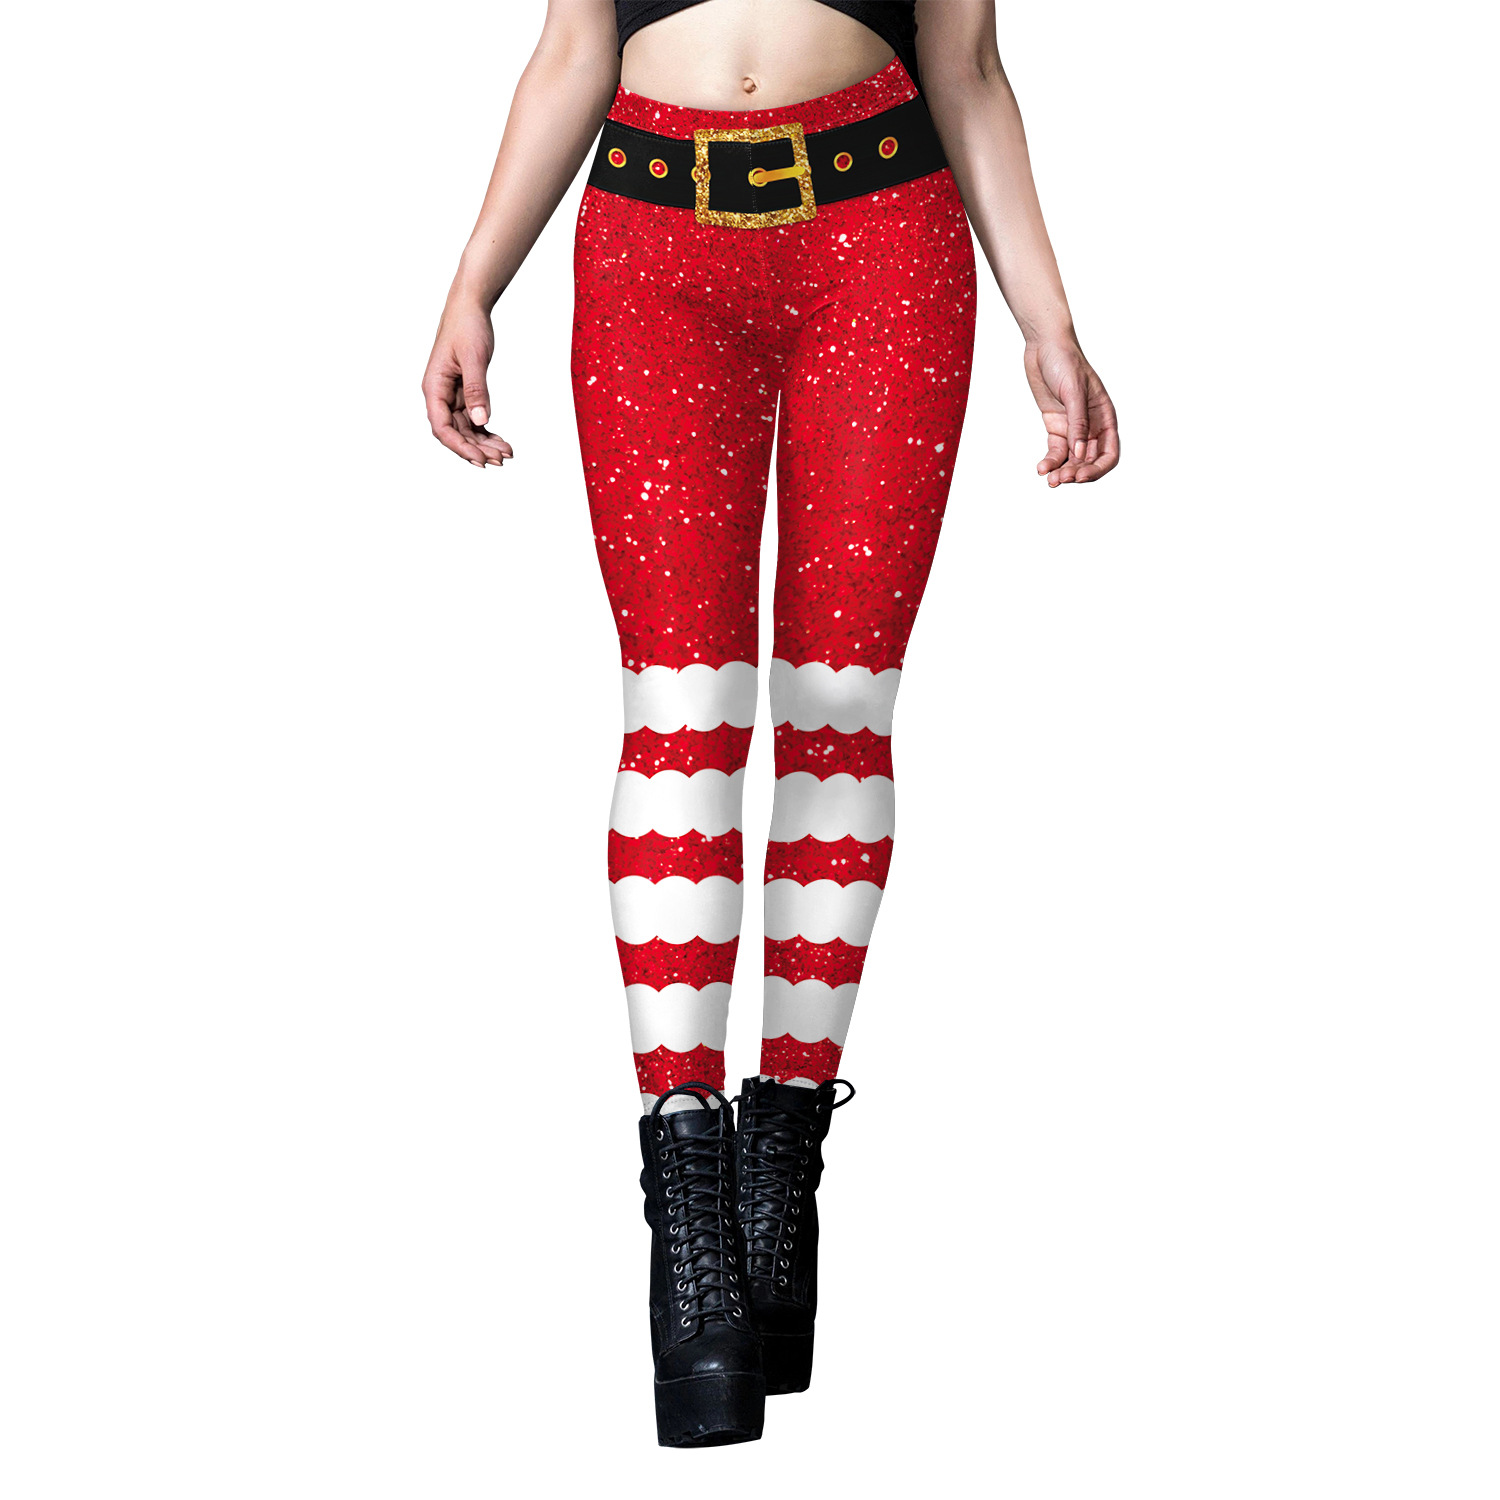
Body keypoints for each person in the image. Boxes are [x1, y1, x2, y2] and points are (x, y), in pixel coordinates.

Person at [421, 0, 1120, 1446]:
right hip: (649, 243)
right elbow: (573, 47)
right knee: (680, 711)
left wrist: (1049, 320)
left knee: (839, 707)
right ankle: (689, 1198)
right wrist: (474, 280)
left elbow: (967, 66)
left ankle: (779, 1165)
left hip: (884, 232)